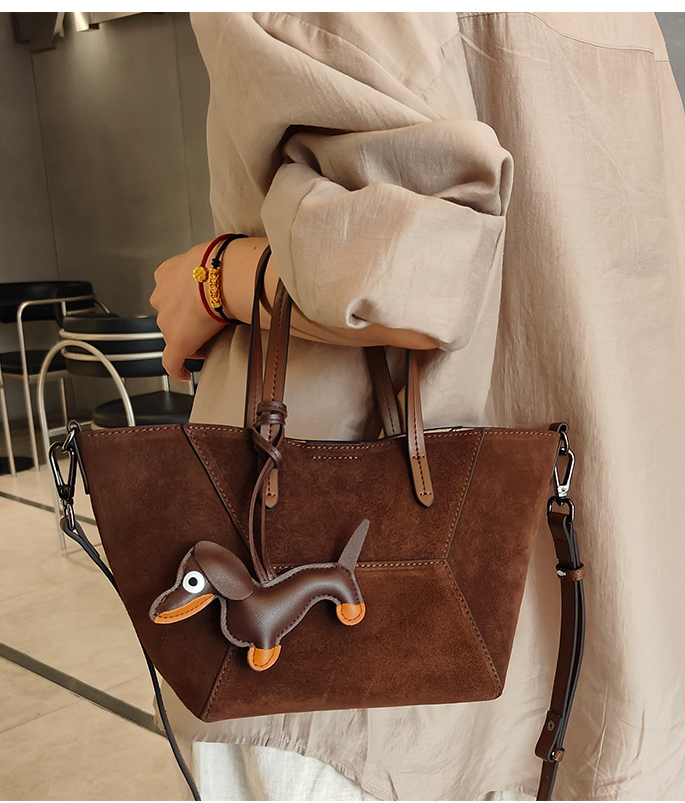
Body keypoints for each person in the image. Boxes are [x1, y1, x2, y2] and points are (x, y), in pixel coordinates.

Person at [150, 12, 685, 801]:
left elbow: (402, 280)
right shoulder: (633, 23)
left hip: (361, 672)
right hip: (618, 572)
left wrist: (213, 278)